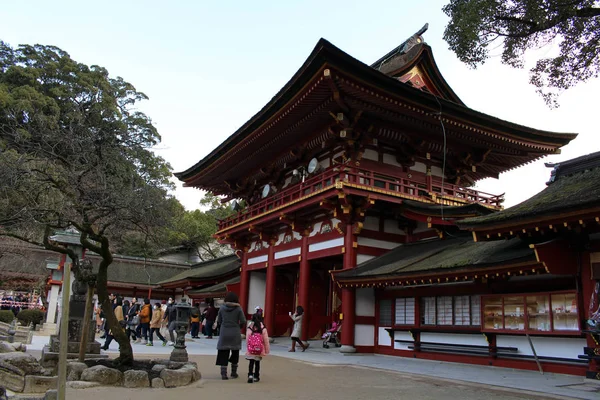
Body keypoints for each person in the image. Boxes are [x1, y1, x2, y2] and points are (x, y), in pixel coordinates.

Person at [215, 292, 246, 380]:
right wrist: (238, 327)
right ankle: (233, 372)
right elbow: (243, 321)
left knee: (223, 352)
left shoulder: (222, 308)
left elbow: (219, 320)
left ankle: (223, 374)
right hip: (235, 331)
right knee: (235, 352)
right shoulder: (238, 308)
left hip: (224, 331)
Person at [245, 307, 270, 383]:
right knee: (257, 363)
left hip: (251, 348)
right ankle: (256, 376)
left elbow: (247, 338)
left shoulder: (250, 327)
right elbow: (266, 340)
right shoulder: (263, 328)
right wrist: (267, 350)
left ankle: (250, 375)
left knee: (251, 362)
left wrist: (248, 347)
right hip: (259, 349)